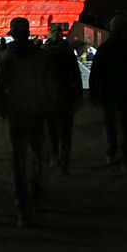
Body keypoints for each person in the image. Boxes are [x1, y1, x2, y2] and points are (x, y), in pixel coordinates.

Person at [0, 17, 54, 227]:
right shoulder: (42, 57)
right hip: (37, 111)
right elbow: (49, 85)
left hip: (16, 113)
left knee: (18, 159)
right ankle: (36, 195)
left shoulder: (4, 58)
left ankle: (22, 206)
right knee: (38, 156)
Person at [89, 15, 127, 172]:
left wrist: (94, 92)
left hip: (109, 91)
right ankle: (126, 157)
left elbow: (95, 72)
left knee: (110, 124)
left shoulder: (106, 47)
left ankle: (111, 151)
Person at [44, 24, 84, 174]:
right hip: (66, 95)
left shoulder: (44, 52)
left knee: (51, 129)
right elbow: (75, 75)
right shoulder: (67, 52)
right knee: (66, 131)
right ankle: (64, 161)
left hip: (49, 96)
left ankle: (54, 156)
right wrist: (78, 94)